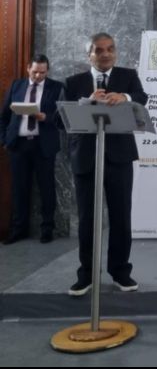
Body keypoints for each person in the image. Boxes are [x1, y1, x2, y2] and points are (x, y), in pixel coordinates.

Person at [65, 33, 148, 296]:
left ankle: (121, 272)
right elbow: (61, 119)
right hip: (86, 157)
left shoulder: (128, 75)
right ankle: (86, 275)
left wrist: (124, 97)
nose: (105, 54)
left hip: (119, 157)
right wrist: (87, 102)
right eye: (99, 50)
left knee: (121, 217)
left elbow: (141, 97)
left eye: (110, 49)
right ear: (89, 54)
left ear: (116, 52)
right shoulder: (74, 82)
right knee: (88, 219)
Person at [0, 55, 64, 244]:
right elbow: (3, 116)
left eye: (42, 72)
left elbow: (63, 118)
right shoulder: (16, 86)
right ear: (28, 68)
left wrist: (46, 117)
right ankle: (19, 229)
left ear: (48, 71)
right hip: (18, 145)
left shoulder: (57, 87)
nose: (38, 76)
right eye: (35, 71)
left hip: (43, 144)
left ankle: (47, 229)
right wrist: (5, 140)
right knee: (19, 188)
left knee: (47, 188)